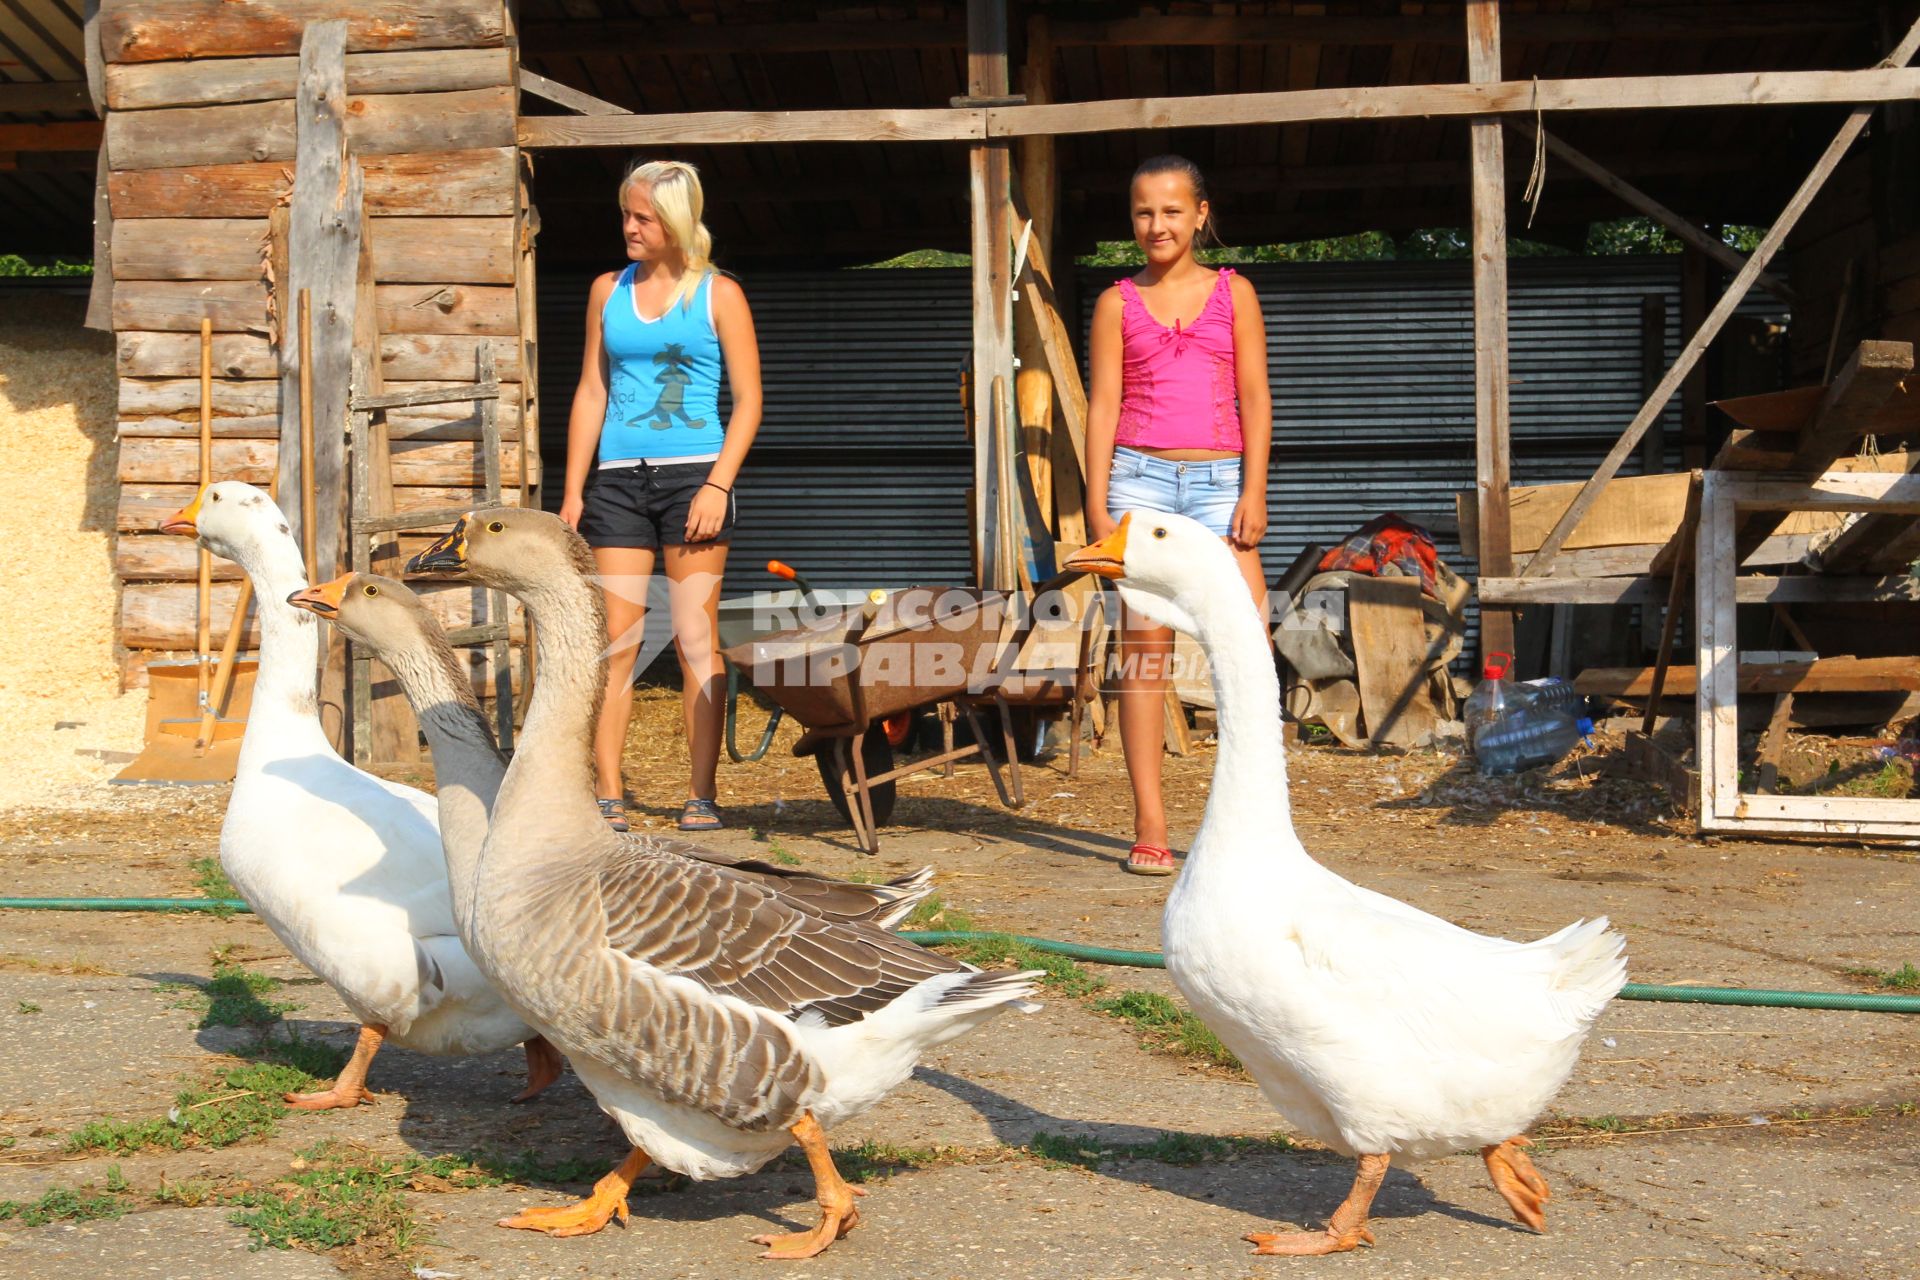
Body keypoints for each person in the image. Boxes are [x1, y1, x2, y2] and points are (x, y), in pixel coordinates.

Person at [559, 159, 763, 833]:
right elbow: (593, 391)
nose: (629, 227)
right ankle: (608, 796)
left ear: (675, 222)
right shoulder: (604, 291)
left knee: (692, 639)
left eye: (643, 216)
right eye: (626, 213)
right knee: (615, 642)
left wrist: (718, 483)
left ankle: (701, 795)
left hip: (693, 479)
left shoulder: (719, 295)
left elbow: (750, 402)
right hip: (618, 482)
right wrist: (572, 493)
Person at [1083, 154, 1271, 875]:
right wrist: (1098, 500)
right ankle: (1151, 826)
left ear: (1200, 214)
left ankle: (1247, 828)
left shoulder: (1236, 293)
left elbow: (1255, 396)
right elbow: (1103, 404)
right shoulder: (1115, 303)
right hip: (1139, 482)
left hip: (1223, 480)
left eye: (1170, 210)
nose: (1155, 225)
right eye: (1142, 212)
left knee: (1248, 647)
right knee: (1144, 653)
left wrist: (1254, 489)